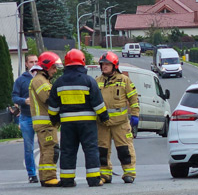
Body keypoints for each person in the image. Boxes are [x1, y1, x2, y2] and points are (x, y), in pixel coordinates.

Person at [47, 49, 109, 187]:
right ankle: (93, 180)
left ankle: (67, 180)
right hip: (87, 124)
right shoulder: (89, 81)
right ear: (82, 63)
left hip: (67, 124)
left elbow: (53, 106)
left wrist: (54, 120)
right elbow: (98, 104)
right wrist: (104, 117)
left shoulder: (59, 83)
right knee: (91, 149)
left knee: (68, 151)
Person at [95, 52, 139, 184]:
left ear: (114, 65)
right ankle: (105, 173)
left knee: (124, 149)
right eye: (103, 64)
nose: (104, 67)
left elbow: (134, 99)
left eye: (107, 64)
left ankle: (129, 172)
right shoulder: (97, 81)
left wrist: (135, 115)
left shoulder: (124, 80)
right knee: (102, 150)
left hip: (120, 123)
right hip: (102, 123)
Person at [28, 52, 63, 187]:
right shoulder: (39, 80)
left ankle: (45, 177)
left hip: (44, 123)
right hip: (45, 123)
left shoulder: (41, 80)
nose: (54, 71)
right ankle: (49, 177)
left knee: (46, 150)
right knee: (51, 149)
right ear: (46, 66)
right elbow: (50, 99)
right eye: (53, 68)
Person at [12, 54, 39, 183]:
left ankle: (47, 172)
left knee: (46, 146)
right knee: (28, 148)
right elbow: (14, 97)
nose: (34, 63)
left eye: (36, 61)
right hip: (26, 117)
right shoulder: (21, 80)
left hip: (41, 117)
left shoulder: (42, 77)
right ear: (26, 64)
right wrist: (24, 101)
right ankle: (32, 174)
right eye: (31, 61)